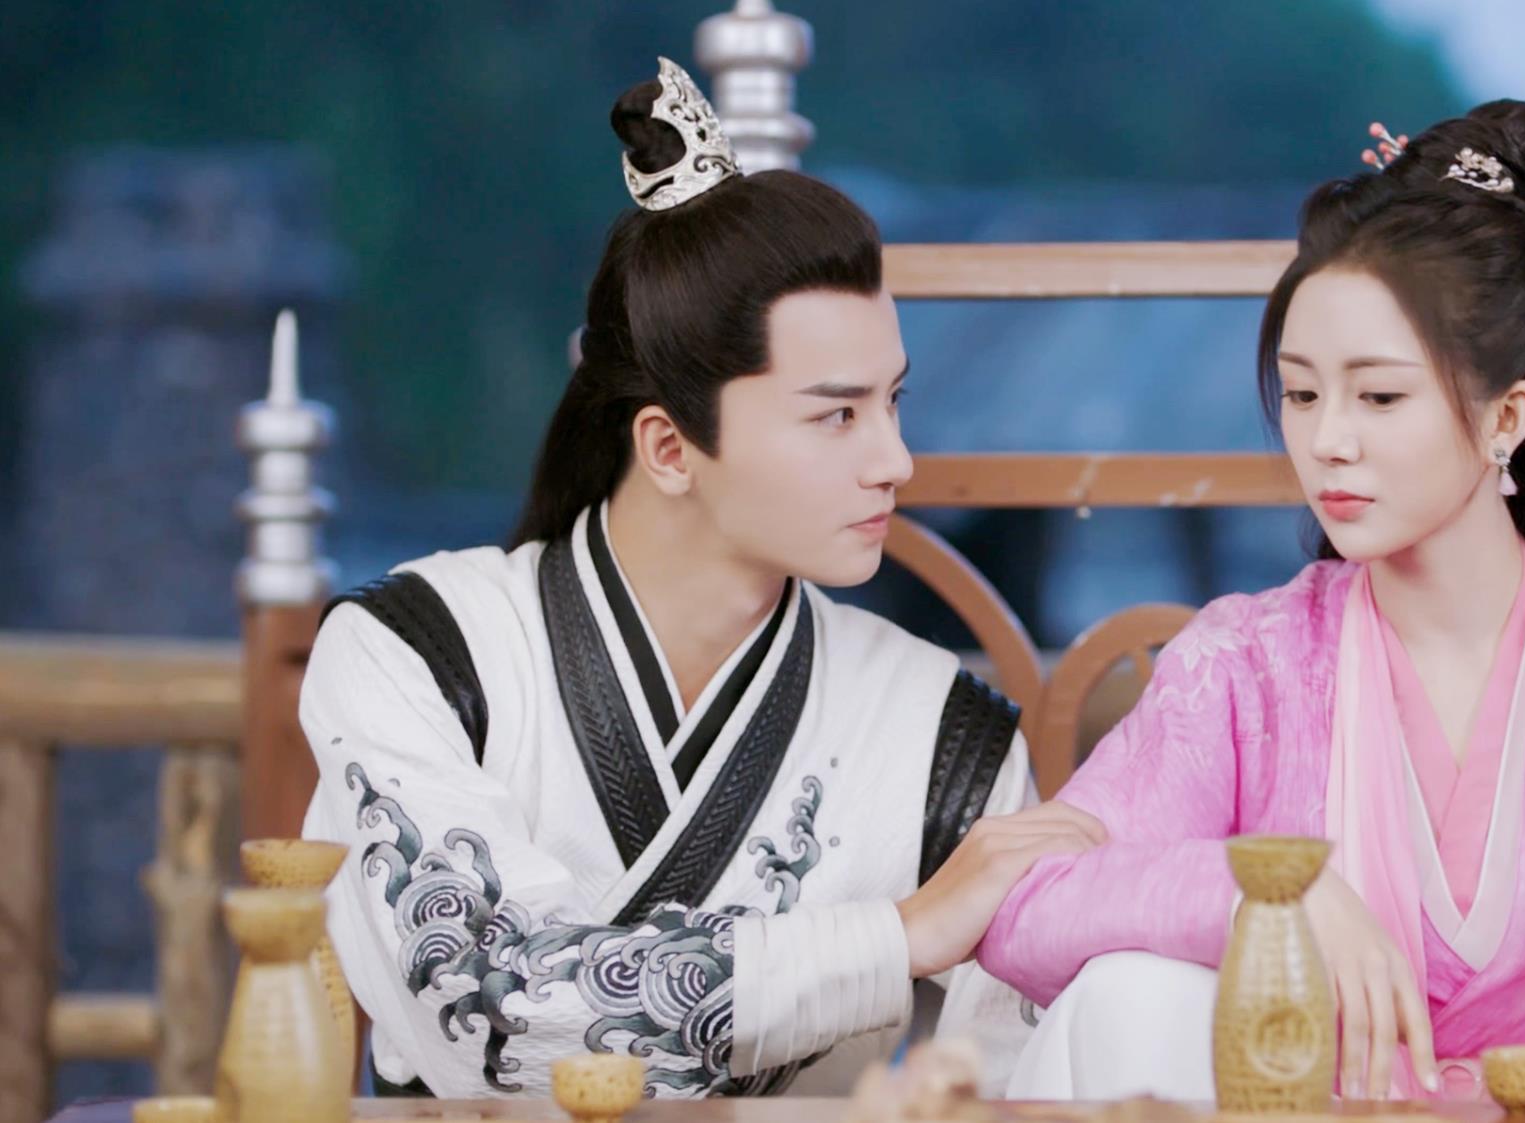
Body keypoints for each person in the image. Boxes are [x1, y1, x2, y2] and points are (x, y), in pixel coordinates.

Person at [977, 100, 1525, 1103]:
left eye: (1378, 396)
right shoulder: (1246, 666)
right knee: (1130, 994)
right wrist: (1264, 897)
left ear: (1507, 416)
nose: (1328, 440)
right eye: (1301, 394)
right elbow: (1025, 907)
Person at [300, 57, 1101, 1100]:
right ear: (669, 447)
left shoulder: (943, 731)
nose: (895, 461)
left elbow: (1012, 1077)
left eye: (893, 403)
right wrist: (900, 935)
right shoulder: (415, 654)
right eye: (836, 415)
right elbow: (491, 1007)